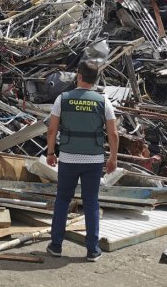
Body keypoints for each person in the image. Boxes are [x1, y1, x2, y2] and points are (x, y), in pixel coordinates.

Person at [45, 59, 119, 262]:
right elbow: (113, 134)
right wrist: (113, 157)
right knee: (91, 202)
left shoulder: (63, 98)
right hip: (94, 160)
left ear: (78, 76)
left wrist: (51, 153)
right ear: (96, 80)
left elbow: (52, 129)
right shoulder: (104, 101)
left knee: (62, 200)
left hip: (68, 158)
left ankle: (56, 246)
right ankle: (92, 250)